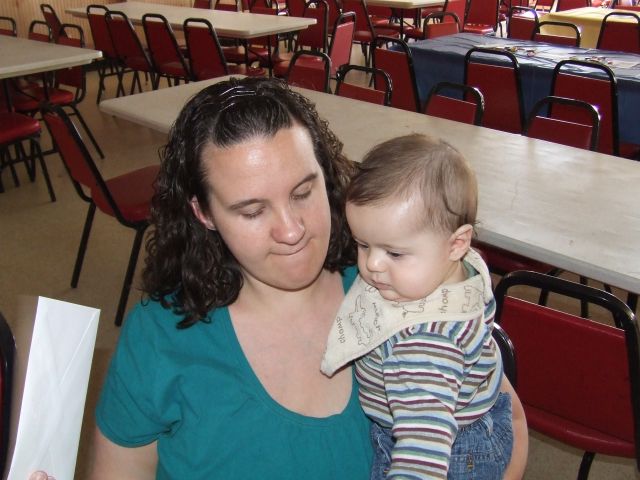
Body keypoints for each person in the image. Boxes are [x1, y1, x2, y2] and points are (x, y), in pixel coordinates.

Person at [88, 77, 527, 479]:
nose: (292, 230)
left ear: (327, 173)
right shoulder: (159, 338)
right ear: (204, 213)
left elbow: (508, 418)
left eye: (303, 192)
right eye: (252, 211)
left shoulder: (399, 283)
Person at [321, 134, 515, 479]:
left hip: (453, 453)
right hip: (478, 415)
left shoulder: (424, 345)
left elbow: (422, 452)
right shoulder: (459, 267)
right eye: (363, 244)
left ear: (457, 243)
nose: (372, 264)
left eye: (394, 253)